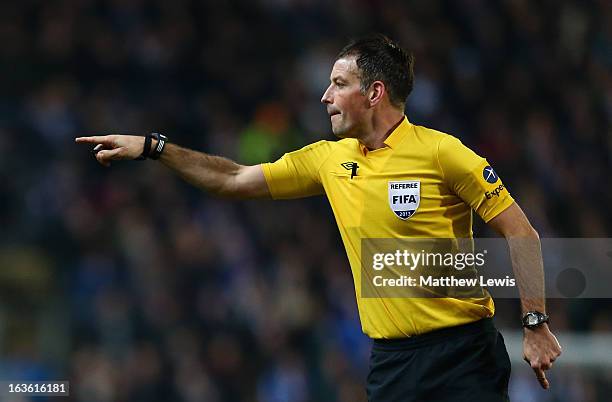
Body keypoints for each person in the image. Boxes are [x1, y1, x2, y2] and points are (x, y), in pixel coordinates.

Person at [76, 34, 561, 401]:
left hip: (464, 356)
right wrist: (155, 148)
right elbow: (233, 179)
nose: (325, 96)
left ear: (374, 93)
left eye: (338, 84)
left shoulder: (443, 154)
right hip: (391, 362)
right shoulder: (328, 159)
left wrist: (534, 322)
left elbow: (520, 231)